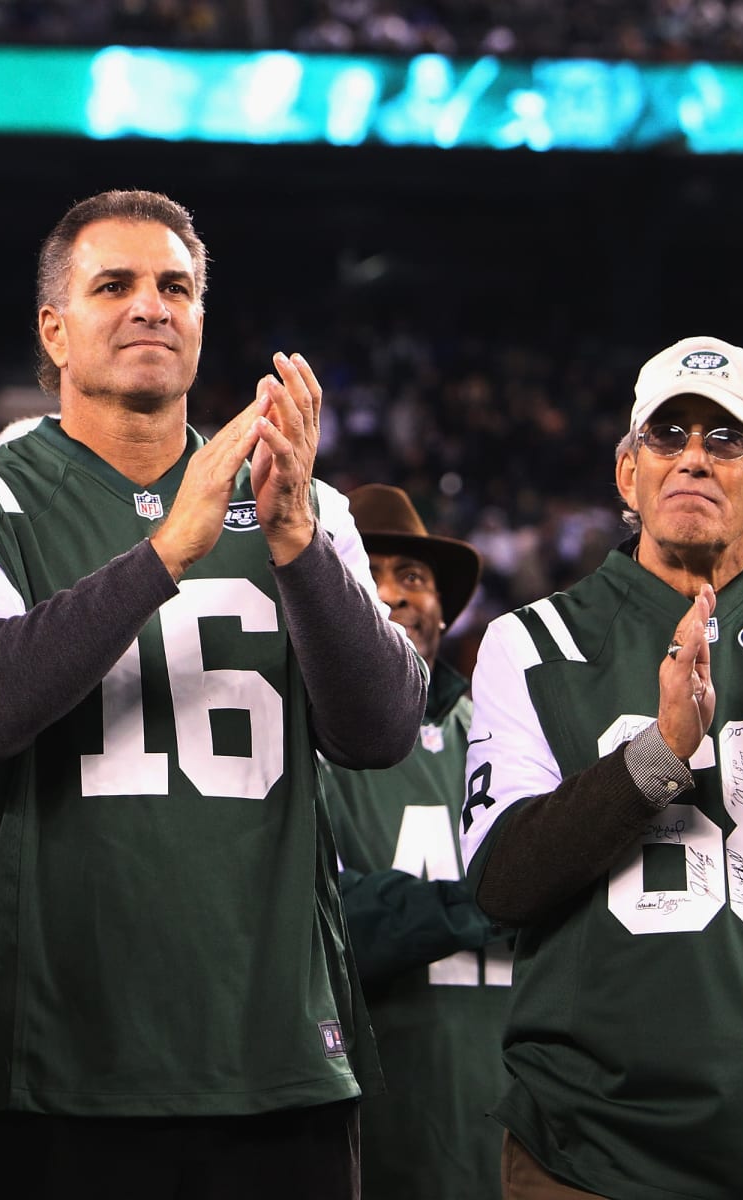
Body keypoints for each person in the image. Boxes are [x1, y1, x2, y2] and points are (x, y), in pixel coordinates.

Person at [0, 188, 427, 1199]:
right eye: (116, 285)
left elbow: (382, 730)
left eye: (175, 286)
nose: (152, 307)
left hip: (277, 1063)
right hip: (53, 1069)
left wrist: (298, 546)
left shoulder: (305, 499)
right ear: (54, 328)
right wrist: (168, 549)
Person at [460, 335, 743, 1200]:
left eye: (726, 439)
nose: (692, 457)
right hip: (590, 1155)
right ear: (626, 474)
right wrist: (661, 752)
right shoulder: (530, 643)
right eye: (668, 434)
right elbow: (502, 885)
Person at [322, 483, 510, 1199]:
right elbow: (317, 927)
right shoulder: (289, 742)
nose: (394, 594)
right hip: (367, 1140)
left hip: (514, 1133)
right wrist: (496, 896)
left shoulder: (512, 735)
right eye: (366, 574)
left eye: (413, 578)